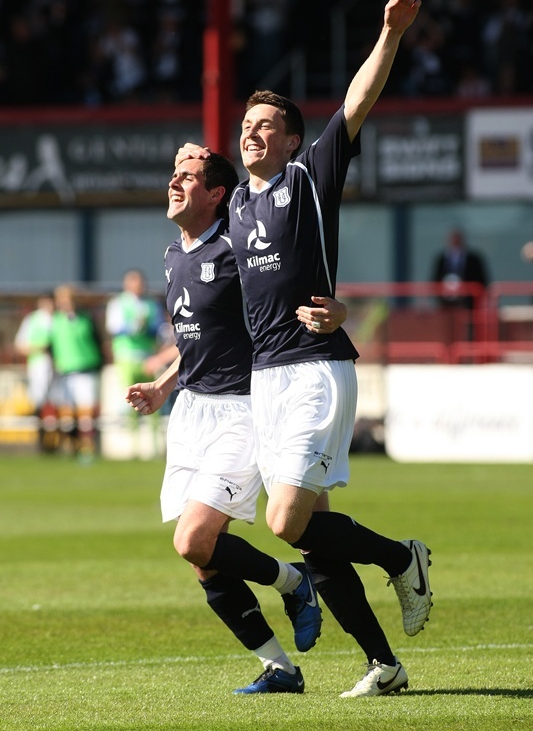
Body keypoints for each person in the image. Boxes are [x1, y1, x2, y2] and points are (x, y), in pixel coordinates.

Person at [176, 0, 432, 698]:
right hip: (265, 382)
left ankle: (401, 558)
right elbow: (213, 297)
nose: (251, 134)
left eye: (265, 127)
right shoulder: (233, 216)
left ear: (290, 139)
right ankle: (383, 665)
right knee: (313, 538)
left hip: (316, 366)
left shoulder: (309, 177)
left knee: (286, 519)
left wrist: (388, 32)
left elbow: (355, 102)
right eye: (245, 127)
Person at [125, 151, 348, 695]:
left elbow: (285, 293)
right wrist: (163, 385)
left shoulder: (235, 250)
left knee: (193, 540)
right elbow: (196, 341)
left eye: (188, 176)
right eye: (173, 174)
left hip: (243, 409)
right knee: (204, 561)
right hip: (191, 414)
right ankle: (280, 669)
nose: (174, 182)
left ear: (216, 195)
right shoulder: (173, 255)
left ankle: (294, 583)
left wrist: (337, 312)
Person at [106, 269, 167, 451]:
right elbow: (114, 327)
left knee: (153, 398)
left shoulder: (151, 304)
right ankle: (134, 446)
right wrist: (133, 327)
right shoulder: (118, 303)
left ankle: (155, 446)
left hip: (147, 356)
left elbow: (158, 328)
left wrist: (148, 329)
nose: (137, 286)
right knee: (131, 401)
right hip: (126, 356)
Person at [49, 284, 103, 462]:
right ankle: (68, 446)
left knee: (85, 413)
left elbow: (97, 343)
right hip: (64, 372)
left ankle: (87, 448)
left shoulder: (86, 319)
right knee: (66, 413)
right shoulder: (55, 321)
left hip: (86, 370)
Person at [14, 293, 57, 452]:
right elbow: (20, 344)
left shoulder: (59, 319)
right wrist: (39, 348)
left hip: (60, 366)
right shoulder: (33, 320)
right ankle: (42, 442)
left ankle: (57, 440)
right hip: (39, 365)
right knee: (39, 401)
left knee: (58, 403)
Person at [431, 227, 489, 308]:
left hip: (468, 302)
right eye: (453, 238)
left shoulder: (474, 259)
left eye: (457, 238)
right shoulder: (441, 259)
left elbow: (482, 280)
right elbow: (435, 280)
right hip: (446, 302)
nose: (455, 241)